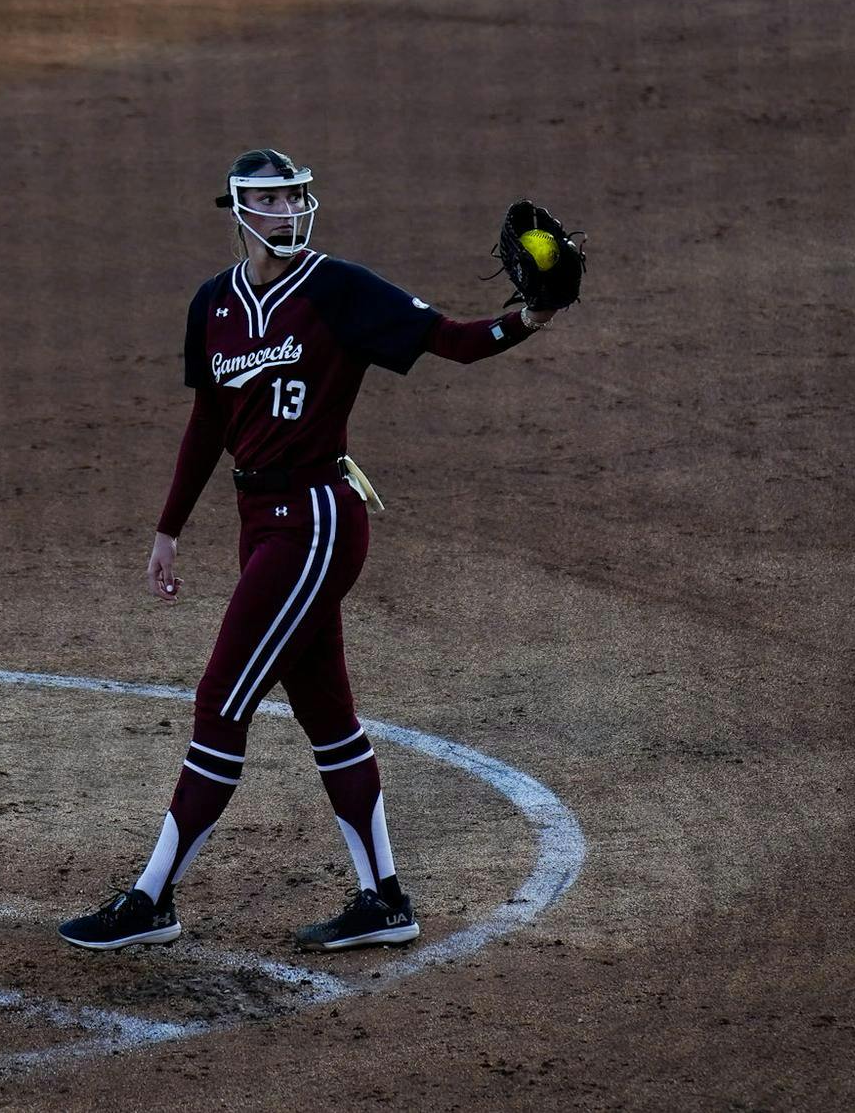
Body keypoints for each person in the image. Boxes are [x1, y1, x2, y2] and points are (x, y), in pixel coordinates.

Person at [59, 148, 561, 952]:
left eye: (296, 197)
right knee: (328, 713)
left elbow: (453, 340)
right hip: (260, 519)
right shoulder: (213, 305)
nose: (288, 212)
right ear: (239, 212)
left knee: (222, 698)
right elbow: (208, 427)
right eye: (271, 201)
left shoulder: (337, 288)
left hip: (318, 518)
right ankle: (385, 899)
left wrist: (528, 318)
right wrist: (168, 527)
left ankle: (152, 896)